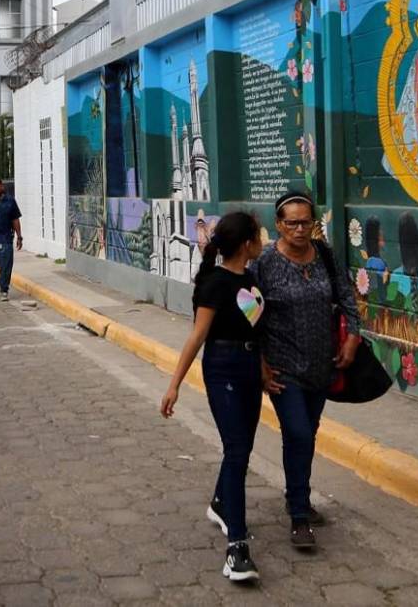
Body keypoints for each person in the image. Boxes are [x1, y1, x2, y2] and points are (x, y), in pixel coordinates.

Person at [161, 211, 265, 582]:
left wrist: (263, 370)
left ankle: (221, 503)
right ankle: (237, 547)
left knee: (243, 448)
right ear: (247, 243)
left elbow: (254, 329)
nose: (263, 240)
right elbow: (197, 336)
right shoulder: (216, 283)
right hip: (223, 368)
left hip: (250, 368)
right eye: (259, 235)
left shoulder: (250, 279)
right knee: (236, 450)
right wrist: (174, 385)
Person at [254, 191, 361, 549]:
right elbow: (247, 313)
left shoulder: (324, 255)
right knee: (298, 433)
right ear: (278, 225)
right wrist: (260, 362)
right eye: (292, 223)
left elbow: (346, 297)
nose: (300, 229)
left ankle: (295, 495)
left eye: (306, 222)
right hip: (283, 367)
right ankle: (299, 515)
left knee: (308, 433)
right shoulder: (264, 263)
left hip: (322, 364)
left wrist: (353, 337)